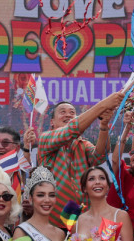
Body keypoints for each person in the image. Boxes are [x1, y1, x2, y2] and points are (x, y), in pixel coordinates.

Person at [37, 92, 123, 227]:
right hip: (53, 223)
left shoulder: (82, 144)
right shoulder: (45, 139)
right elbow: (71, 130)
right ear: (52, 122)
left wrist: (104, 125)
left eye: (72, 112)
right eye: (62, 112)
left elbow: (100, 157)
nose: (68, 115)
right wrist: (103, 105)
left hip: (82, 220)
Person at [68, 166, 133, 241]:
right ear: (84, 188)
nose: (97, 182)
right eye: (91, 179)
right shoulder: (77, 221)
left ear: (107, 186)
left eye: (102, 178)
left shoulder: (120, 216)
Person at [10, 167, 69, 241]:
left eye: (51, 195)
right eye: (41, 195)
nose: (47, 200)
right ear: (31, 199)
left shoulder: (61, 233)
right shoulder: (23, 231)